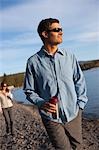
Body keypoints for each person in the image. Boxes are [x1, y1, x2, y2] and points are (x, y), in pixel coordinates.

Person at [23, 18, 88, 150]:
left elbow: (79, 81)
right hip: (51, 118)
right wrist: (41, 103)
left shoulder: (69, 56)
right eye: (56, 30)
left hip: (73, 113)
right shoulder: (33, 62)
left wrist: (80, 105)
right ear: (45, 34)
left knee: (78, 147)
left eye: (61, 29)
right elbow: (29, 90)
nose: (61, 32)